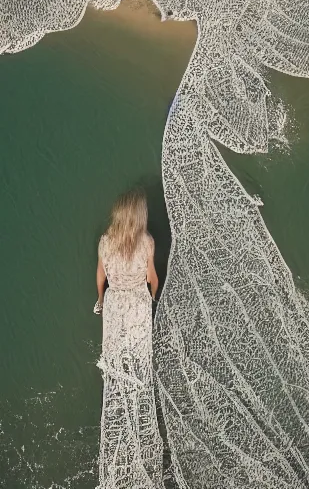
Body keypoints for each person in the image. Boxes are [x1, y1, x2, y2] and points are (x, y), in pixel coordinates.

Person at [94, 188, 164, 489]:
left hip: (115, 305)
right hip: (137, 304)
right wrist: (153, 298)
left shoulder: (105, 242)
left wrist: (100, 301)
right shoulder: (147, 242)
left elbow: (101, 278)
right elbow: (152, 279)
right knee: (140, 364)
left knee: (116, 364)